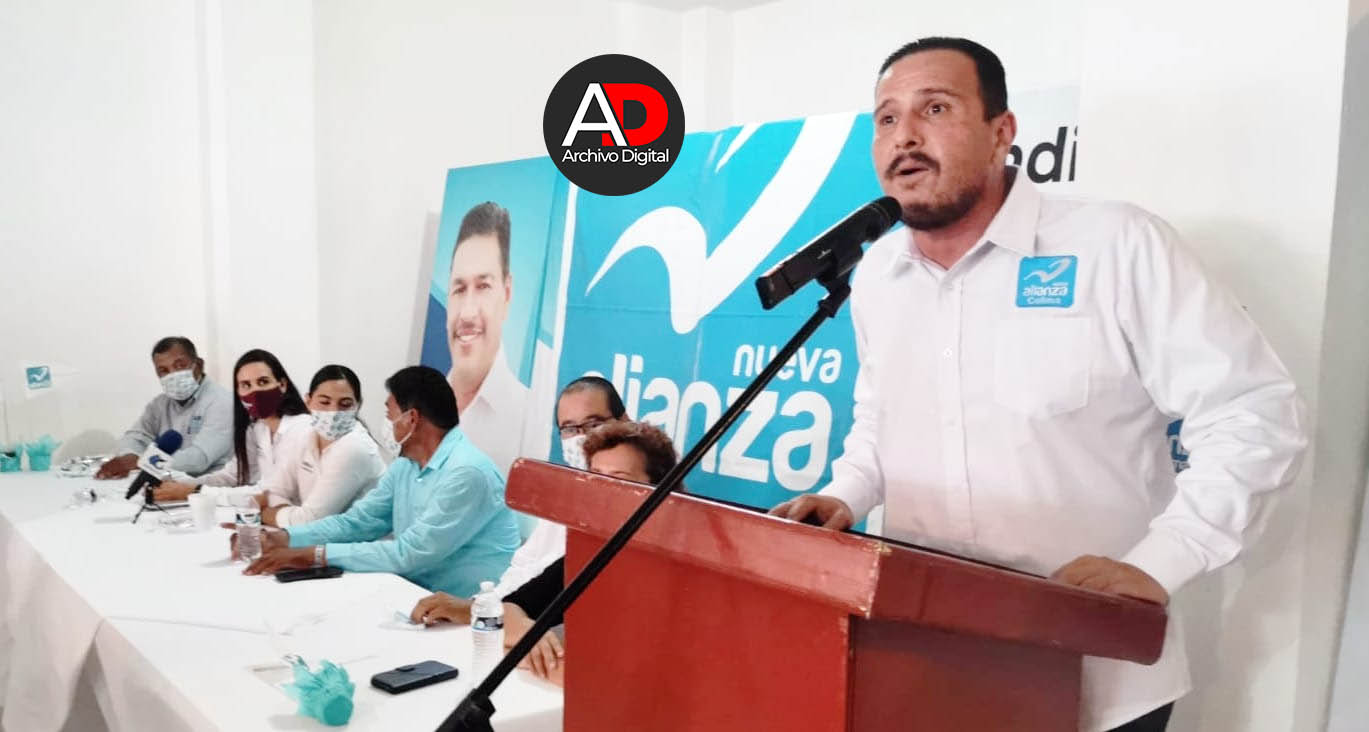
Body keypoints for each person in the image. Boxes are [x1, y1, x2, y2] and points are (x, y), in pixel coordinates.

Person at [768, 38, 1307, 732]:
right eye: (887, 118)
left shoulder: (1116, 244)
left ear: (1002, 132)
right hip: (927, 664)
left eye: (935, 108)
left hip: (1095, 676)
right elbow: (880, 418)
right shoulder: (878, 276)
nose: (904, 136)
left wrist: (1161, 562)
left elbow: (1252, 412)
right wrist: (846, 493)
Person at [411, 419, 679, 687]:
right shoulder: (594, 551)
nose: (604, 490)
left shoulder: (674, 568)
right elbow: (513, 606)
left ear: (660, 490)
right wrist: (526, 633)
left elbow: (624, 678)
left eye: (620, 479)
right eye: (597, 477)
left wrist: (536, 657)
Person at [240, 366, 521, 598]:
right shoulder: (406, 464)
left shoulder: (467, 473)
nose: (385, 424)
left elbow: (409, 553)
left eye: (389, 415)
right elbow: (358, 522)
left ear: (411, 419)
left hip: (468, 612)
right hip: (412, 592)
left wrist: (313, 555)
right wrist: (287, 538)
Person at [405, 376, 629, 625]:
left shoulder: (643, 507)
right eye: (569, 429)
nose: (582, 438)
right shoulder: (572, 493)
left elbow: (565, 583)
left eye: (593, 424)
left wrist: (483, 613)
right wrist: (481, 608)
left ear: (625, 421)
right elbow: (527, 568)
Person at [154, 349, 311, 502]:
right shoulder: (258, 428)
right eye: (246, 385)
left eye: (263, 382)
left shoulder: (301, 429)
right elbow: (233, 476)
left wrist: (194, 491)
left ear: (282, 384)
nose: (255, 391)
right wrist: (183, 484)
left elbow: (267, 493)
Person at [445, 201, 530, 476]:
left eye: (483, 286)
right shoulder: (423, 406)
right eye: (459, 289)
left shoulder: (528, 418)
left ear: (507, 294)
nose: (467, 312)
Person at [257, 364, 387, 528]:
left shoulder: (355, 447)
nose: (334, 411)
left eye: (345, 404)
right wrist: (285, 514)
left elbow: (311, 521)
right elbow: (274, 491)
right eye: (324, 402)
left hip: (361, 540)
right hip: (316, 536)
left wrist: (265, 513)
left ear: (358, 405)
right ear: (308, 401)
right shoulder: (303, 433)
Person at [95, 336, 233, 480]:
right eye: (164, 370)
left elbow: (199, 460)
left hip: (209, 487)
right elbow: (134, 437)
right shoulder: (160, 404)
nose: (172, 374)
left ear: (198, 365)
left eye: (180, 366)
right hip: (168, 482)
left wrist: (141, 462)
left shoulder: (222, 402)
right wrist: (129, 455)